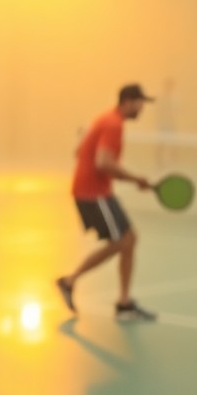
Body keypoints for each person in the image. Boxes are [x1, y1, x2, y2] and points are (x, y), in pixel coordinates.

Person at [56, 83, 158, 322]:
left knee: (129, 239)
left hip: (97, 191)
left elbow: (79, 151)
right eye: (140, 103)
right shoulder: (113, 125)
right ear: (128, 101)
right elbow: (103, 163)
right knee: (121, 242)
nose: (143, 108)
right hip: (93, 194)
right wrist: (136, 179)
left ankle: (124, 303)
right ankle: (69, 282)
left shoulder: (103, 118)